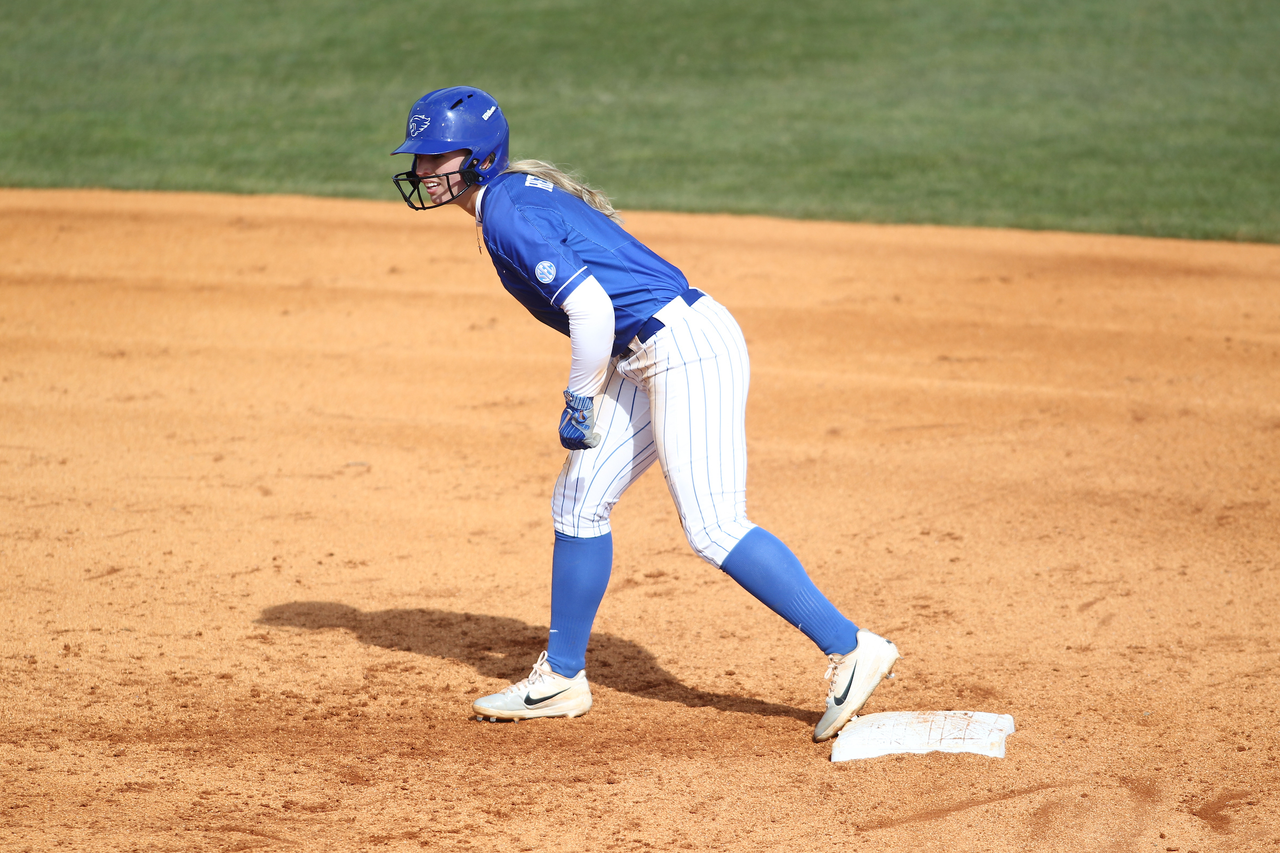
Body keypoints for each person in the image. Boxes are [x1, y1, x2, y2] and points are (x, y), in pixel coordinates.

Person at [391, 86, 898, 743]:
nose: (424, 170)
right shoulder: (511, 197)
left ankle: (852, 647)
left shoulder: (503, 212)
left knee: (714, 524)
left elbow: (593, 309)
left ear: (480, 157)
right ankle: (562, 677)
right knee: (578, 501)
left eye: (437, 157)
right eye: (419, 157)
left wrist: (579, 397)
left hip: (681, 348)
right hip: (647, 350)